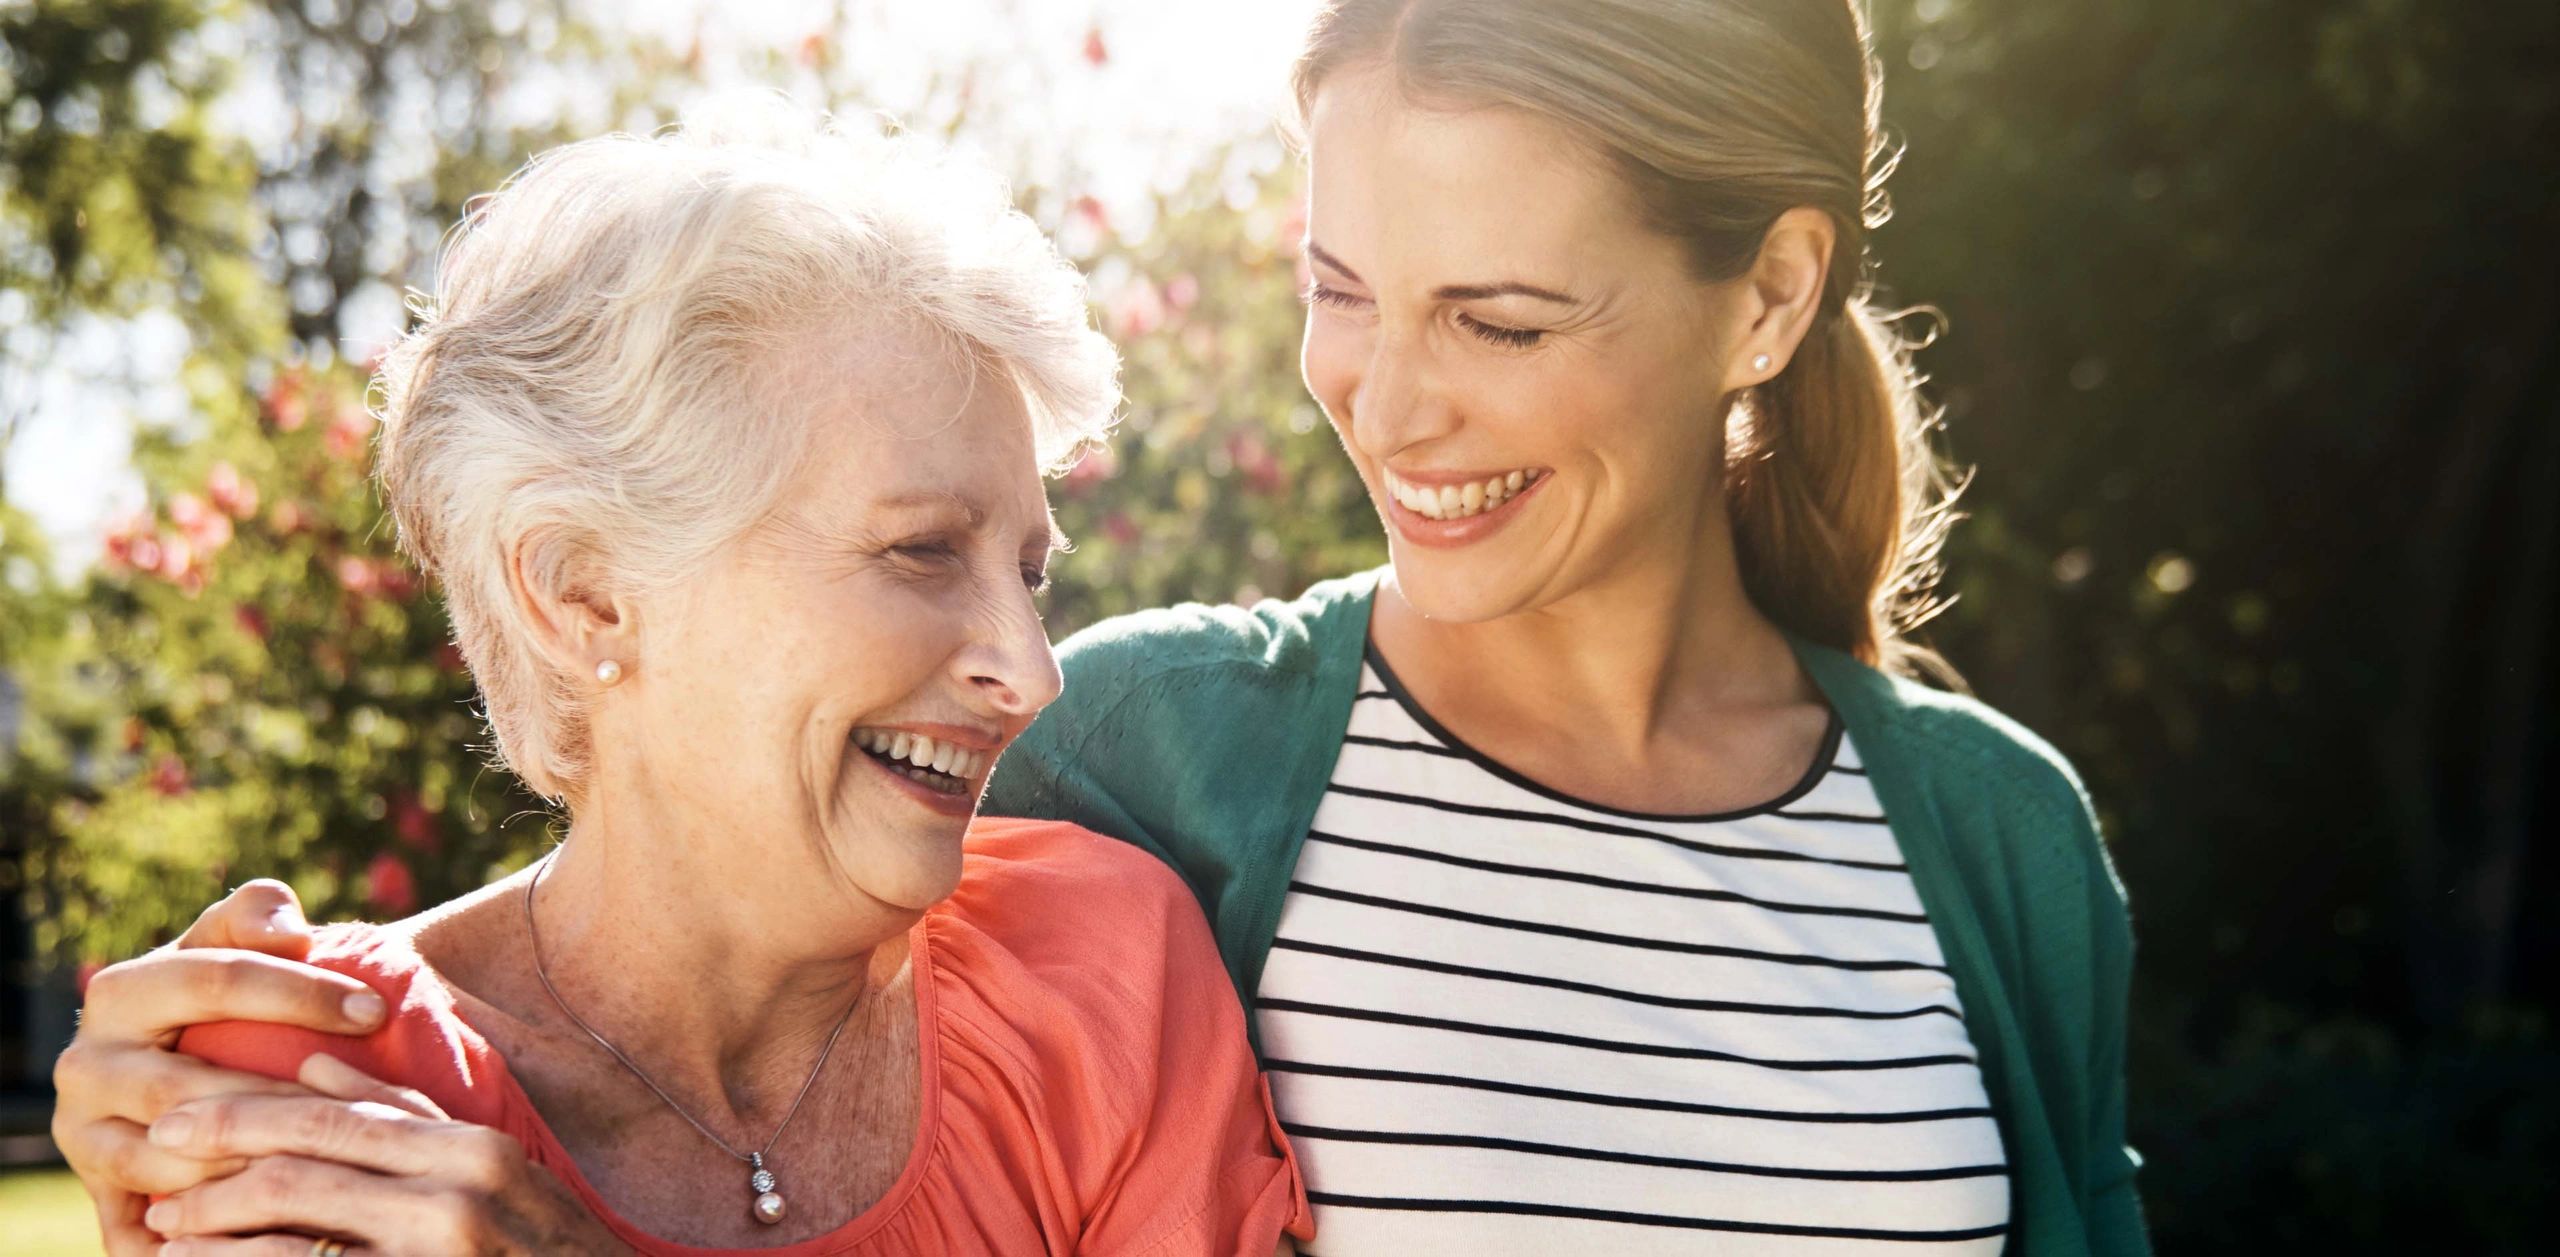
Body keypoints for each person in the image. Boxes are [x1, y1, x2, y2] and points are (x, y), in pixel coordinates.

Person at [57, 1, 2146, 1252]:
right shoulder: (1158, 767)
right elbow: (689, 846)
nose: (1386, 406)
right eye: (1336, 287)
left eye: (1499, 318)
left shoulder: (1989, 843)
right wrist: (248, 1047)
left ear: (1765, 302)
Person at [51, 110, 1309, 1256]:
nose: (1031, 674)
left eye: (1027, 573)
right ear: (584, 590)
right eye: (922, 549)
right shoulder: (325, 1079)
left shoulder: (1094, 974)